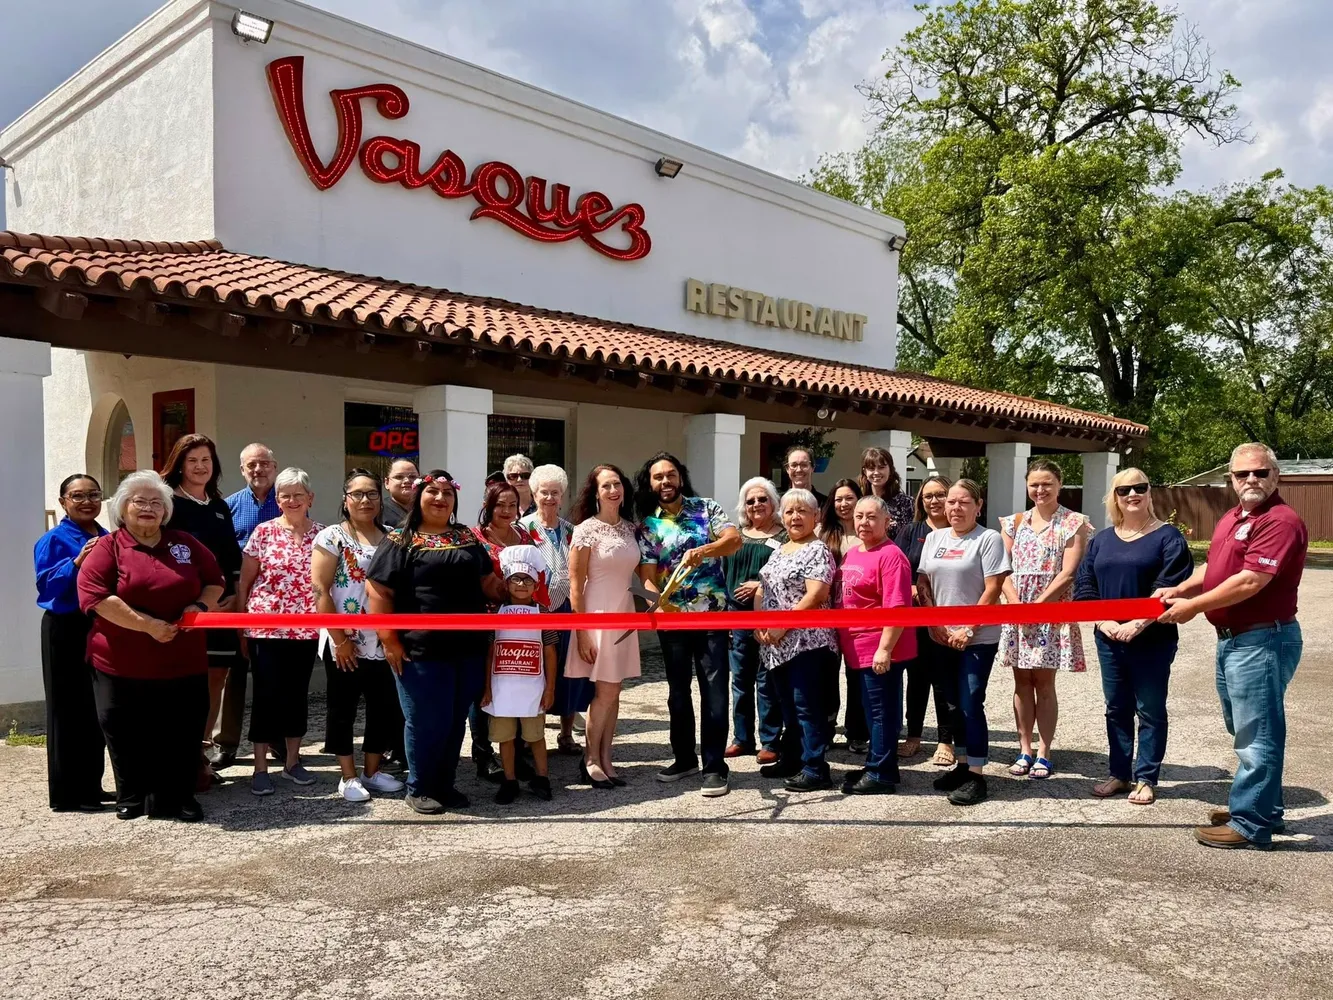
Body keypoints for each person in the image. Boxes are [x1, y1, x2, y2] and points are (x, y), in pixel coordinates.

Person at [1158, 443, 1308, 850]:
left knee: (1257, 733)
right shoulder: (1234, 517)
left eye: (1260, 473)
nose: (1251, 480)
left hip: (1263, 638)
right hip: (1236, 641)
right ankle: (1262, 806)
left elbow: (1249, 582)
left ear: (1276, 477)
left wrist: (1192, 607)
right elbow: (1217, 569)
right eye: (1243, 475)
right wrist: (1181, 587)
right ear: (1231, 479)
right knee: (1244, 727)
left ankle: (1251, 822)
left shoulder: (1279, 521)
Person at [77, 471, 224, 821]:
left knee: (182, 730)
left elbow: (215, 581)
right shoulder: (108, 547)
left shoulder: (185, 543)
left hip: (182, 659)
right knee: (124, 729)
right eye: (139, 501)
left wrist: (200, 606)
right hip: (121, 662)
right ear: (123, 509)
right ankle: (131, 795)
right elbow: (95, 596)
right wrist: (148, 627)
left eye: (156, 502)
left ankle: (179, 797)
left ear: (166, 511)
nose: (148, 508)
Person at [367, 471, 505, 814]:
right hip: (419, 650)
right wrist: (390, 641)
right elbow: (379, 591)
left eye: (447, 493)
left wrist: (518, 587)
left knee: (455, 719)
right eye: (433, 492)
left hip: (468, 648)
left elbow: (487, 580)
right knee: (425, 720)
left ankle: (445, 784)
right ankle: (419, 787)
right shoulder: (400, 539)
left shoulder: (467, 538)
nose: (440, 498)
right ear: (419, 497)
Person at [1075, 468, 1192, 807]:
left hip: (1152, 638)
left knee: (1150, 709)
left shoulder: (1168, 537)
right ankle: (1119, 773)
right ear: (1115, 497)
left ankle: (1146, 777)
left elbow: (1170, 586)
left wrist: (1137, 623)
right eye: (1124, 490)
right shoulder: (1102, 540)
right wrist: (1103, 621)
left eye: (1139, 487)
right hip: (1109, 637)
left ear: (1149, 492)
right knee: (1116, 708)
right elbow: (1085, 586)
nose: (1132, 494)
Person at [634, 452, 741, 797]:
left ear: (680, 477)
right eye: (657, 477)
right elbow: (648, 579)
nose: (665, 482)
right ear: (650, 484)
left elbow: (733, 540)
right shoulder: (648, 526)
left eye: (670, 475)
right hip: (673, 621)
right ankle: (684, 758)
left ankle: (714, 766)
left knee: (714, 692)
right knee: (677, 694)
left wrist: (705, 550)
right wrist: (657, 608)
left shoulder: (706, 508)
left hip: (712, 616)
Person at [311, 469, 405, 803]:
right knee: (343, 708)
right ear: (345, 499)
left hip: (382, 638)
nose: (366, 500)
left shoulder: (394, 536)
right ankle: (348, 776)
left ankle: (372, 771)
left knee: (383, 707)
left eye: (372, 494)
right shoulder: (332, 537)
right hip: (345, 639)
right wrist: (339, 638)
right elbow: (320, 589)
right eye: (358, 494)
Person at [917, 479, 1010, 806]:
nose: (955, 508)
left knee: (971, 701)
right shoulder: (934, 538)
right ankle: (961, 764)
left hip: (978, 638)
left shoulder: (988, 539)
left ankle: (977, 774)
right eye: (951, 502)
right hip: (941, 636)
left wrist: (967, 629)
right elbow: (923, 581)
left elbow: (993, 589)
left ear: (978, 505)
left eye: (963, 502)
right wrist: (935, 623)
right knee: (952, 703)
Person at [998, 459, 1091, 780]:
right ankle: (1024, 748)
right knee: (1021, 682)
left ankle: (1044, 750)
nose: (1040, 490)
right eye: (1034, 484)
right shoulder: (1014, 522)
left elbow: (1068, 573)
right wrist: (1015, 603)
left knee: (1045, 683)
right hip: (1017, 611)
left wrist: (1037, 606)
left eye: (1047, 483)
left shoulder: (1073, 522)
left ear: (1059, 485)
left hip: (1050, 611)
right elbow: (1003, 568)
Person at [236, 467, 323, 797]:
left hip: (305, 630)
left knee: (296, 695)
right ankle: (260, 767)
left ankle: (291, 761)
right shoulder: (263, 532)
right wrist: (242, 628)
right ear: (277, 500)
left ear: (310, 498)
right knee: (265, 696)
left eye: (298, 494)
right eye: (285, 495)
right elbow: (245, 582)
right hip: (265, 629)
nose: (291, 500)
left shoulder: (324, 535)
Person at [161, 433, 243, 779]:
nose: (199, 466)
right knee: (182, 680)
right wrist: (200, 601)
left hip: (222, 608)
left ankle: (201, 752)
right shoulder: (166, 503)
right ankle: (175, 755)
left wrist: (234, 596)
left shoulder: (220, 506)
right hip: (187, 608)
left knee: (216, 677)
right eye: (192, 460)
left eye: (206, 460)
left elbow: (230, 556)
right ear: (179, 463)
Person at [33, 474, 110, 812]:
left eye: (93, 494)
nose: (87, 501)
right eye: (77, 496)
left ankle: (91, 786)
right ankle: (68, 794)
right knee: (67, 711)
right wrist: (77, 562)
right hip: (64, 628)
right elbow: (46, 586)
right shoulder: (53, 540)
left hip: (99, 625)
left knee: (95, 710)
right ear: (63, 501)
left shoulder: (106, 536)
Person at [755, 489, 839, 791]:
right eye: (789, 511)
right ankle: (793, 758)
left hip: (807, 643)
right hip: (776, 645)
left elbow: (817, 594)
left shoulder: (817, 550)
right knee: (787, 706)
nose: (795, 517)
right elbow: (762, 589)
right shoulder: (780, 549)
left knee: (807, 706)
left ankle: (816, 768)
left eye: (802, 511)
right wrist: (758, 624)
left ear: (815, 517)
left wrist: (783, 626)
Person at [566, 465, 642, 789]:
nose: (613, 490)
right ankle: (590, 759)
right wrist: (581, 630)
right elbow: (574, 581)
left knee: (615, 691)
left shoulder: (630, 529)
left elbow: (636, 576)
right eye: (606, 485)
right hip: (597, 614)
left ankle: (607, 757)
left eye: (617, 484)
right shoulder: (585, 529)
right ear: (595, 492)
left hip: (624, 614)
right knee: (606, 690)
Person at [837, 496, 916, 795]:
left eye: (872, 517)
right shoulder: (854, 552)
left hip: (879, 646)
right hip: (856, 646)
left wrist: (885, 649)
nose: (864, 522)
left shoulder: (891, 555)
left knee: (882, 712)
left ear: (886, 522)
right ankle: (880, 764)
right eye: (859, 516)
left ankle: (881, 774)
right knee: (872, 711)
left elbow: (897, 607)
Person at [217, 442, 281, 768]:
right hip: (239, 596)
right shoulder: (228, 507)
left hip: (276, 599)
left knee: (273, 673)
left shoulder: (287, 502)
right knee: (235, 672)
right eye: (251, 465)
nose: (258, 470)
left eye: (264, 464)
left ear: (274, 466)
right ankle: (226, 744)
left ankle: (279, 739)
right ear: (242, 470)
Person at [520, 464, 590, 755]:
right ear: (534, 494)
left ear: (563, 496)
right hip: (534, 609)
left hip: (566, 609)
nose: (549, 498)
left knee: (569, 672)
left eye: (555, 493)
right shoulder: (522, 530)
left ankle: (566, 734)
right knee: (537, 673)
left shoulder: (573, 531)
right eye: (544, 492)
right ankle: (530, 736)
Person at [469, 481, 538, 780]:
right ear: (488, 506)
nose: (507, 510)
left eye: (512, 505)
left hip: (521, 623)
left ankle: (516, 753)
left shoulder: (523, 534)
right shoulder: (475, 537)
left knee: (517, 682)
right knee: (485, 687)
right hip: (488, 621)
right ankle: (484, 753)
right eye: (500, 505)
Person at [482, 545, 558, 804]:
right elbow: (491, 651)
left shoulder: (544, 613)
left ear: (536, 585)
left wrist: (550, 688)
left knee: (535, 735)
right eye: (516, 579)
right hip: (502, 687)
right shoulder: (495, 613)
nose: (522, 584)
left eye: (528, 579)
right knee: (505, 737)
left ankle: (542, 777)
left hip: (533, 687)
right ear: (506, 581)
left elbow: (549, 651)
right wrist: (487, 688)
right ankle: (510, 780)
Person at [893, 475, 959, 766]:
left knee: (945, 680)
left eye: (940, 494)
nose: (934, 501)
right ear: (921, 500)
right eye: (928, 495)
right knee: (916, 680)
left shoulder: (960, 531)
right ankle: (914, 735)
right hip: (916, 618)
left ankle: (946, 740)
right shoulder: (911, 530)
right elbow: (897, 566)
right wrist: (907, 589)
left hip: (949, 618)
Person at [723, 478, 786, 763]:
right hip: (736, 616)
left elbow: (786, 574)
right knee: (740, 680)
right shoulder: (734, 536)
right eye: (750, 501)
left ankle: (770, 740)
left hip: (769, 615)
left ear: (773, 503)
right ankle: (742, 738)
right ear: (743, 507)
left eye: (762, 499)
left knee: (767, 679)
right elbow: (722, 575)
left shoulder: (785, 537)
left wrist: (758, 583)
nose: (756, 505)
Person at [817, 478, 868, 754]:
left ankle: (857, 731)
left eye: (849, 498)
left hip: (859, 616)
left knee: (857, 674)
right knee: (826, 674)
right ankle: (826, 728)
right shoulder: (822, 534)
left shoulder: (868, 534)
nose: (844, 504)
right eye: (838, 499)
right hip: (827, 616)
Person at [859, 447, 914, 532]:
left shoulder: (906, 503)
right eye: (871, 468)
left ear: (890, 469)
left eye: (881, 467)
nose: (876, 472)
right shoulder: (859, 501)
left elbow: (912, 535)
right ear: (865, 471)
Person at [380, 458, 419, 529]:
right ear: (387, 483)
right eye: (399, 477)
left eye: (412, 477)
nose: (407, 481)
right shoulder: (378, 512)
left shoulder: (427, 510)